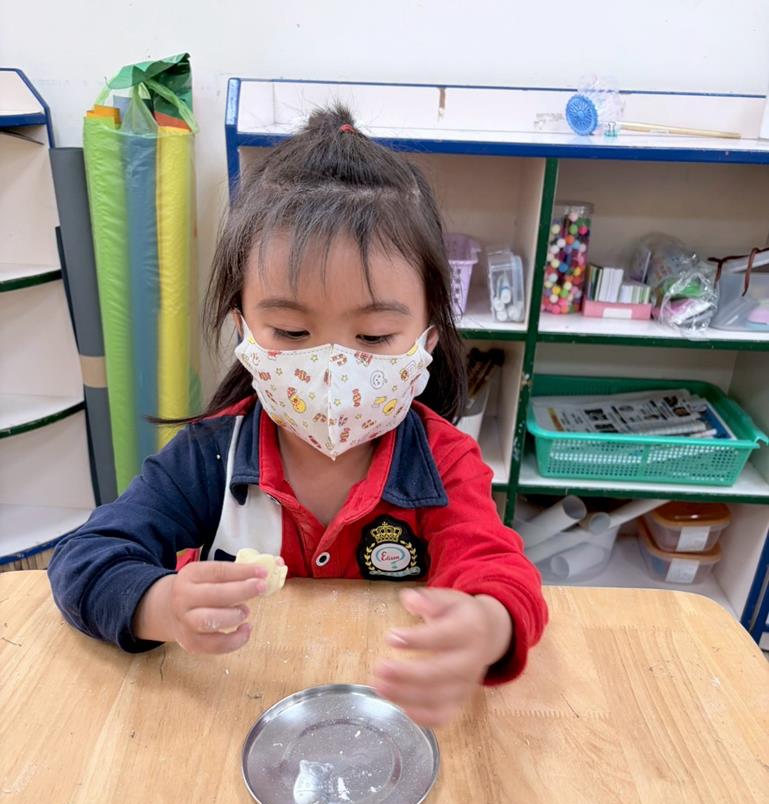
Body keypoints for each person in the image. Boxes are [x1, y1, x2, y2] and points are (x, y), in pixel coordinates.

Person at [49, 105, 547, 726]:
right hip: (236, 714)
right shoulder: (209, 455)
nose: (332, 368)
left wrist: (485, 625)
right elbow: (84, 559)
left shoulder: (443, 463)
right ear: (244, 332)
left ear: (427, 340)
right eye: (290, 331)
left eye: (373, 337)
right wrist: (161, 604)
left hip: (387, 717)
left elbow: (501, 571)